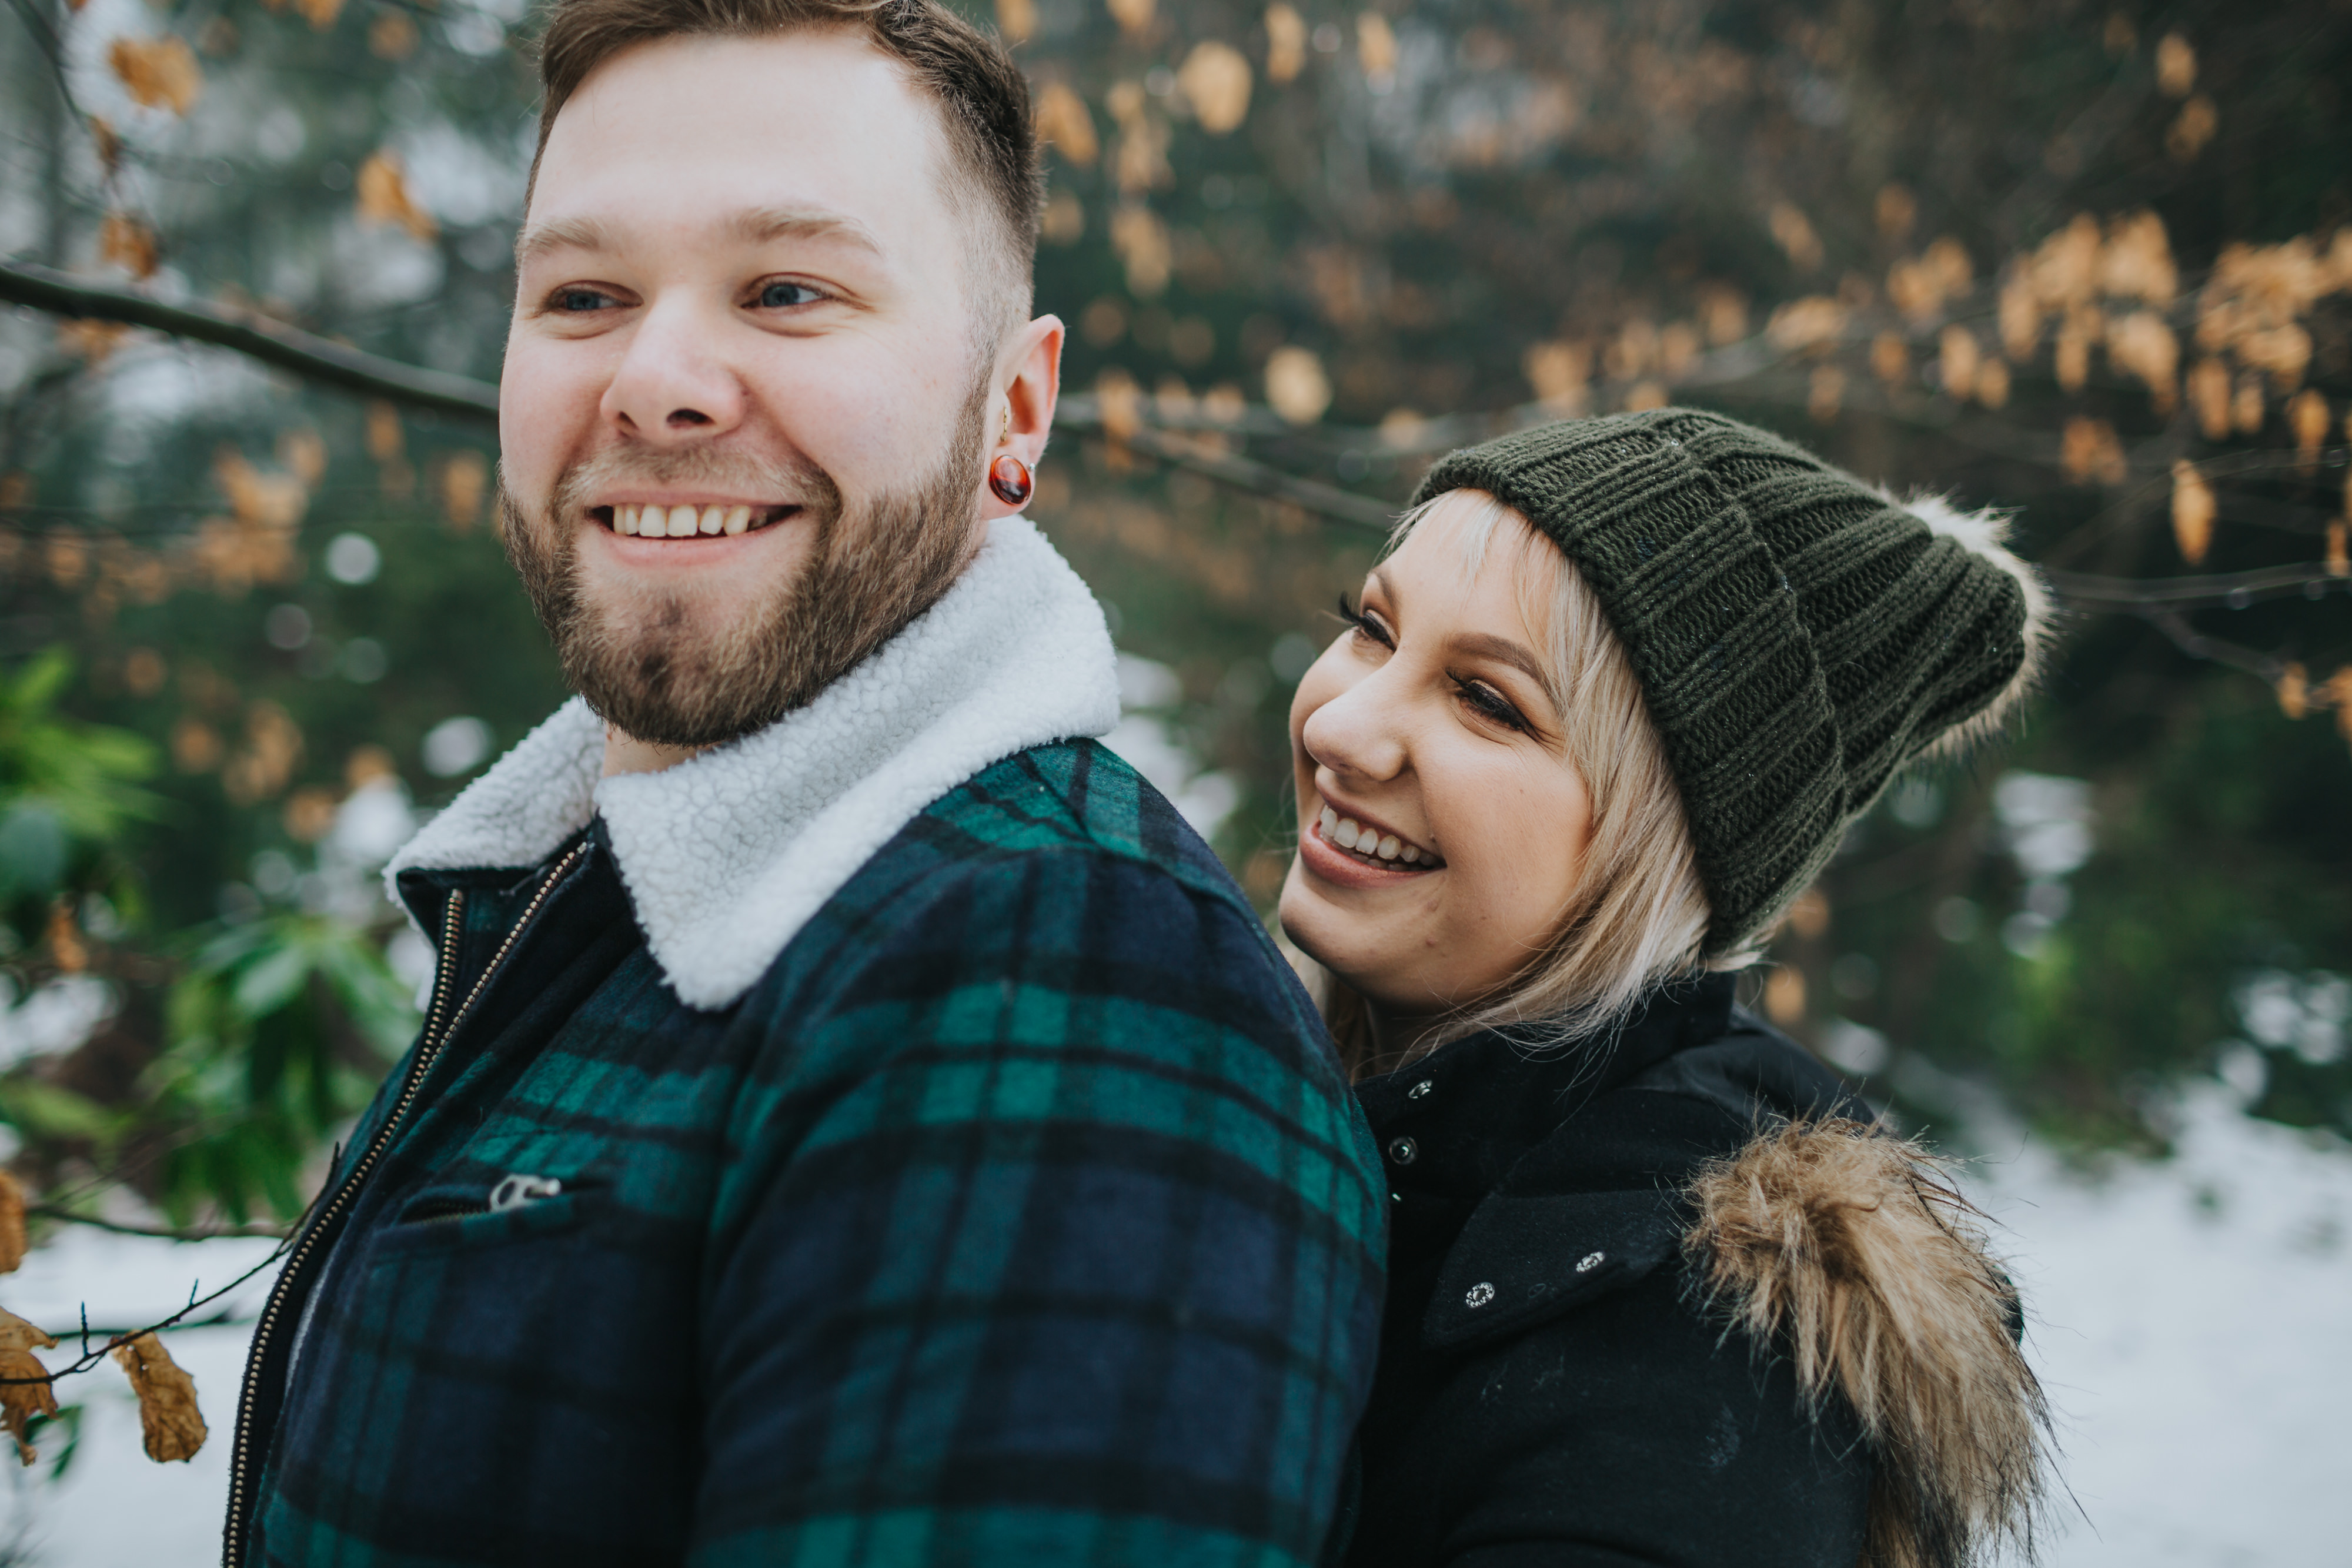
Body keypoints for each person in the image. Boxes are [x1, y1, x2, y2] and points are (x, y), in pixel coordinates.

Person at [222, 2, 1385, 1563]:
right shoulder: (598, 910)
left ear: (1013, 409)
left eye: (788, 288)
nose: (656, 381)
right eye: (582, 292)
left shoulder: (1064, 977)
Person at [1281, 409, 2057, 1567]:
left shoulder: (1709, 1381)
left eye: (1486, 700)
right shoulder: (1235, 1054)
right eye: (1369, 626)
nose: (1342, 725)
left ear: (1660, 846)